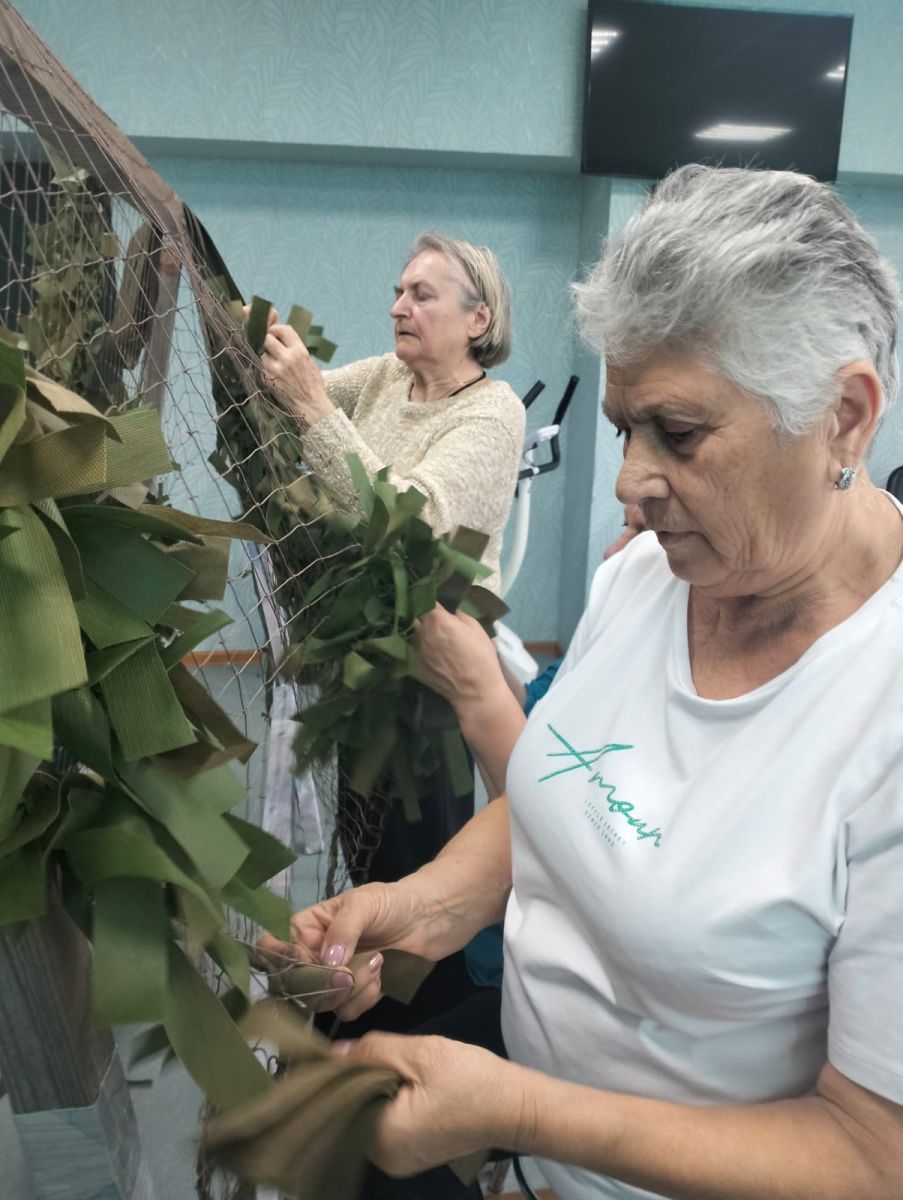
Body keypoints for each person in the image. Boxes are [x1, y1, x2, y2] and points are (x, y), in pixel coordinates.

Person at [271, 165, 903, 1200]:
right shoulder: (643, 580)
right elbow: (561, 794)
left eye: (681, 435)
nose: (631, 482)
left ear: (843, 415)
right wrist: (420, 905)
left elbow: (876, 1157)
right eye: (624, 429)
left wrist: (518, 1107)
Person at [259, 231, 525, 884]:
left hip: (431, 682)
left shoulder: (494, 412)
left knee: (420, 871)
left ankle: (419, 985)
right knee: (366, 859)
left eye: (420, 294)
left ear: (477, 318)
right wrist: (256, 341)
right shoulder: (386, 376)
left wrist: (313, 405)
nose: (397, 307)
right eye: (397, 292)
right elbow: (294, 393)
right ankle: (371, 981)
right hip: (365, 670)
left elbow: (416, 521)